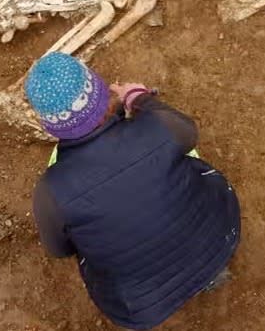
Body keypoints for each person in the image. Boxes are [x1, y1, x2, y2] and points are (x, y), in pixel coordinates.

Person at [26, 52, 241, 330]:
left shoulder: (49, 193)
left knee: (87, 243)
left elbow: (59, 250)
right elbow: (188, 133)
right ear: (101, 95)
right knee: (186, 160)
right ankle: (209, 273)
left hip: (139, 306)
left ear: (49, 125)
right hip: (220, 240)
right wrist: (138, 97)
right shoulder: (158, 127)